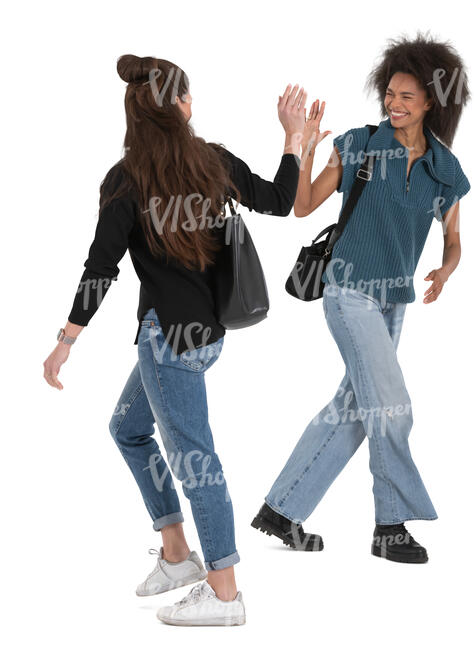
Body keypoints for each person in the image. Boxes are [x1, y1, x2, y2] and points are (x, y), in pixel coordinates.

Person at [43, 54, 306, 625]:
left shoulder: (125, 181)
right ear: (180, 106)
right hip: (207, 334)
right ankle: (177, 553)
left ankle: (226, 593)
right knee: (129, 428)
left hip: (168, 342)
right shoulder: (210, 160)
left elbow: (100, 267)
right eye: (188, 96)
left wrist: (66, 339)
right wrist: (293, 139)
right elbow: (280, 200)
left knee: (197, 461)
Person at [252, 33, 471, 564]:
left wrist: (446, 267)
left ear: (432, 103)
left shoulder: (445, 168)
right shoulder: (359, 144)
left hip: (395, 301)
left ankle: (282, 509)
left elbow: (455, 236)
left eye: (407, 97)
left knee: (355, 407)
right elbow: (302, 206)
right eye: (390, 94)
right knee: (392, 408)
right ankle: (389, 526)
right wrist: (302, 150)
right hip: (349, 293)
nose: (394, 105)